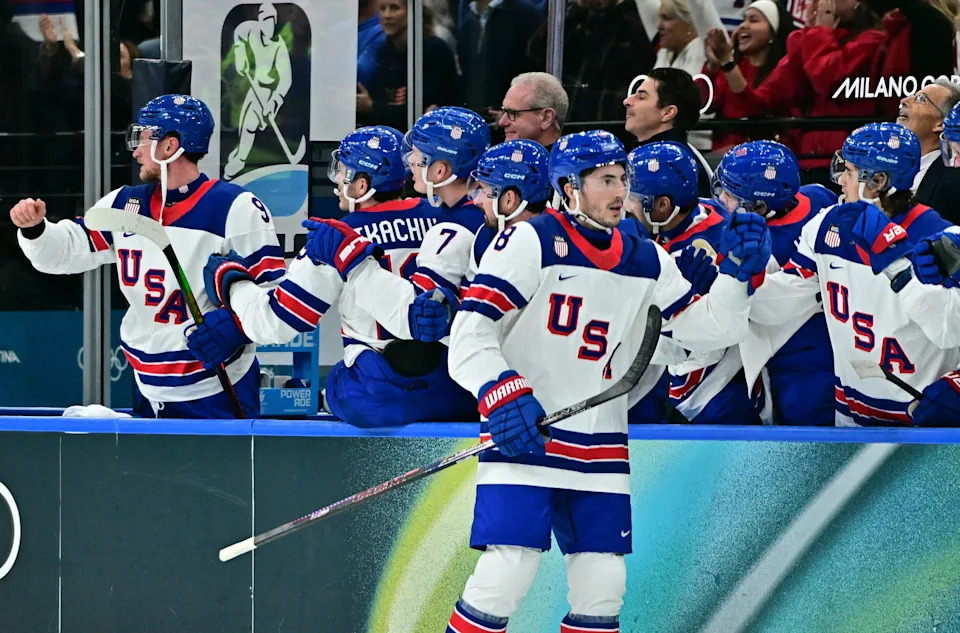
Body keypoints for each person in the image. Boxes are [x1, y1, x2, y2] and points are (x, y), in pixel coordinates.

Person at [442, 129, 770, 632]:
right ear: (570, 187)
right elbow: (470, 332)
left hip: (600, 440)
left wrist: (737, 276)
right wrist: (501, 393)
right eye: (605, 180)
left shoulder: (646, 258)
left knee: (604, 583)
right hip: (527, 432)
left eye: (623, 179)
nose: (620, 192)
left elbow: (709, 331)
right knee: (508, 570)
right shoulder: (530, 240)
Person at [10, 95, 284, 418]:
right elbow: (70, 249)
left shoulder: (235, 208)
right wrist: (36, 230)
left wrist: (238, 327)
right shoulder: (125, 204)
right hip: (147, 388)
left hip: (217, 390)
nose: (136, 150)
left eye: (143, 138)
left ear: (170, 146)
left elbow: (275, 298)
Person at [194, 125, 478, 427]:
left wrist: (234, 283)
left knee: (337, 385)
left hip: (377, 397)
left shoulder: (335, 238)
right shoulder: (450, 220)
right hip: (455, 390)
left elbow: (274, 324)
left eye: (343, 171)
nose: (338, 179)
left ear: (361, 184)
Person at [749, 123, 960, 426]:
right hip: (849, 418)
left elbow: (948, 329)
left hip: (918, 421)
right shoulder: (825, 225)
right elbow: (783, 301)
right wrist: (739, 280)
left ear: (877, 181)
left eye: (848, 171)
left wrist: (897, 264)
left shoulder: (943, 239)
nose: (841, 181)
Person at [627, 141, 764, 424]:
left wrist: (702, 300)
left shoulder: (704, 248)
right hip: (687, 384)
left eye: (633, 198)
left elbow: (717, 328)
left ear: (662, 205)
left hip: (718, 389)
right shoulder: (698, 214)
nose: (625, 206)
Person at [712, 140, 839, 426]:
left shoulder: (756, 241)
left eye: (729, 194)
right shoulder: (818, 197)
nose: (721, 198)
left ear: (758, 205)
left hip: (797, 358)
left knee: (808, 447)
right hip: (820, 344)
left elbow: (749, 304)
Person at [707, 0, 886, 182]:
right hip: (806, 159)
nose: (822, 2)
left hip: (852, 160)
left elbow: (827, 79)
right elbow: (761, 103)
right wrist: (726, 63)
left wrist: (817, 32)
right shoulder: (808, 39)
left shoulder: (873, 39)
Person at [703, 0, 798, 153]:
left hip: (766, 157)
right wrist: (712, 67)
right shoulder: (736, 66)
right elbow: (706, 106)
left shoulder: (784, 68)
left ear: (773, 33)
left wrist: (727, 62)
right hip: (724, 157)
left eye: (753, 20)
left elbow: (753, 108)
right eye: (743, 20)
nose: (743, 26)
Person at [356, 0, 461, 130]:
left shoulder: (433, 50)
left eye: (394, 8)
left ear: (412, 13)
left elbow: (423, 113)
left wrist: (373, 107)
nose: (387, 15)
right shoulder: (385, 51)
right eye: (382, 9)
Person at [223, 3, 294, 181]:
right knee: (251, 116)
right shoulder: (248, 35)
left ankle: (241, 158)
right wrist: (239, 56)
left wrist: (274, 101)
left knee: (256, 110)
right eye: (265, 22)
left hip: (271, 102)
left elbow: (286, 80)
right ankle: (240, 158)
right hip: (236, 117)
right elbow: (228, 69)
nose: (268, 27)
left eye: (272, 23)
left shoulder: (280, 46)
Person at [623, 67, 712, 197]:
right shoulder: (685, 158)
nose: (627, 101)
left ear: (667, 113)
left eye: (641, 97)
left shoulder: (680, 170)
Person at [457, 0, 543, 114]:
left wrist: (513, 110)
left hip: (512, 120)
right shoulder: (468, 22)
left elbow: (536, 75)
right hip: (475, 119)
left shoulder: (527, 16)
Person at [897, 80, 960, 224]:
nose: (904, 101)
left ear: (941, 123)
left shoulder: (954, 181)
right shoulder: (884, 168)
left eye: (921, 99)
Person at [496, 72, 568, 150]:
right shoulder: (497, 159)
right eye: (504, 111)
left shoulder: (567, 161)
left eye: (513, 113)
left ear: (546, 118)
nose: (502, 122)